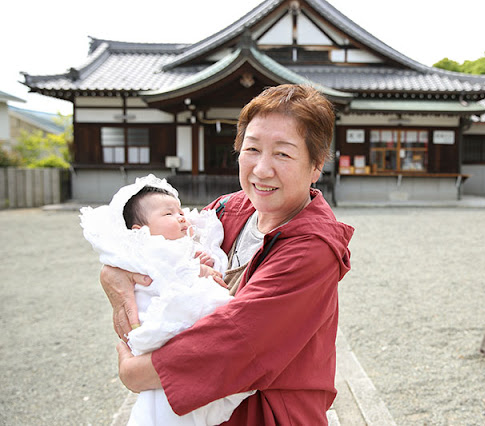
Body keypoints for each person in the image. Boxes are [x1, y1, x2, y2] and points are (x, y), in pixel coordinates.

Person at [99, 84, 355, 425]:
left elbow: (239, 341)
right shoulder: (228, 210)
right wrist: (114, 270)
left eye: (283, 153)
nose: (262, 169)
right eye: (252, 149)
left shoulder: (312, 248)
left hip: (269, 414)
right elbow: (157, 242)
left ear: (315, 165)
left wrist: (137, 374)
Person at [80, 174, 254, 425]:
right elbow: (167, 271)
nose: (181, 216)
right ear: (140, 232)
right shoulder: (153, 247)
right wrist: (200, 269)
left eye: (179, 210)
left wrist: (202, 262)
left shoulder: (183, 243)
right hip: (165, 325)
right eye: (168, 214)